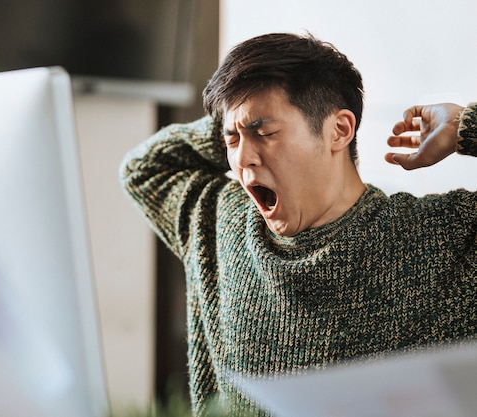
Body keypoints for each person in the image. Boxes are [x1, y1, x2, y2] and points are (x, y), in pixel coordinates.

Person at [120, 32, 477, 416]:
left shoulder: (439, 238)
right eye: (231, 141)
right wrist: (235, 118)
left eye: (266, 133)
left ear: (339, 130)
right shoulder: (219, 220)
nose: (243, 159)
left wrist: (463, 126)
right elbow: (145, 167)